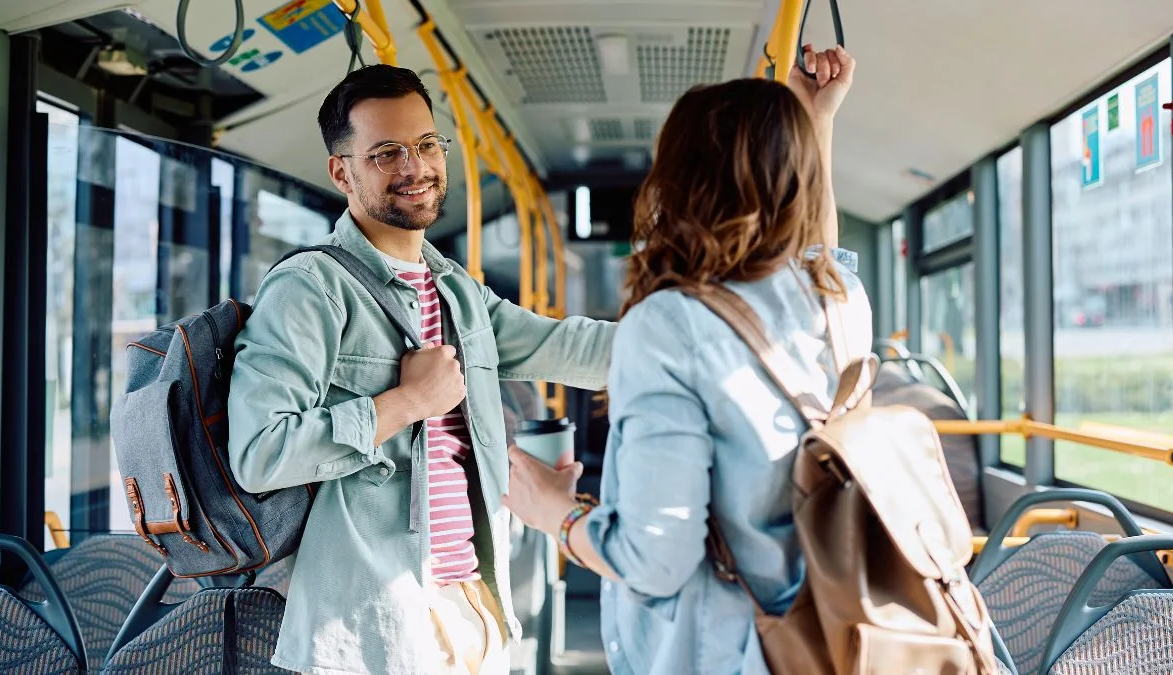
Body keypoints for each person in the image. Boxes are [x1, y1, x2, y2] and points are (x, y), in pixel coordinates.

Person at [227, 64, 616, 675]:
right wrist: (405, 404)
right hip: (375, 624)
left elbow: (567, 346)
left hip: (473, 606)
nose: (416, 166)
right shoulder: (311, 288)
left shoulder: (455, 289)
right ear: (342, 172)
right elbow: (260, 454)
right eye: (385, 153)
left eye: (427, 144)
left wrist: (698, 345)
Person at [502, 46, 869, 674]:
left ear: (678, 184)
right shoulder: (841, 305)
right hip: (829, 631)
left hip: (723, 652)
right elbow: (821, 256)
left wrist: (552, 511)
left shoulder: (669, 326)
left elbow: (654, 562)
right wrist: (816, 122)